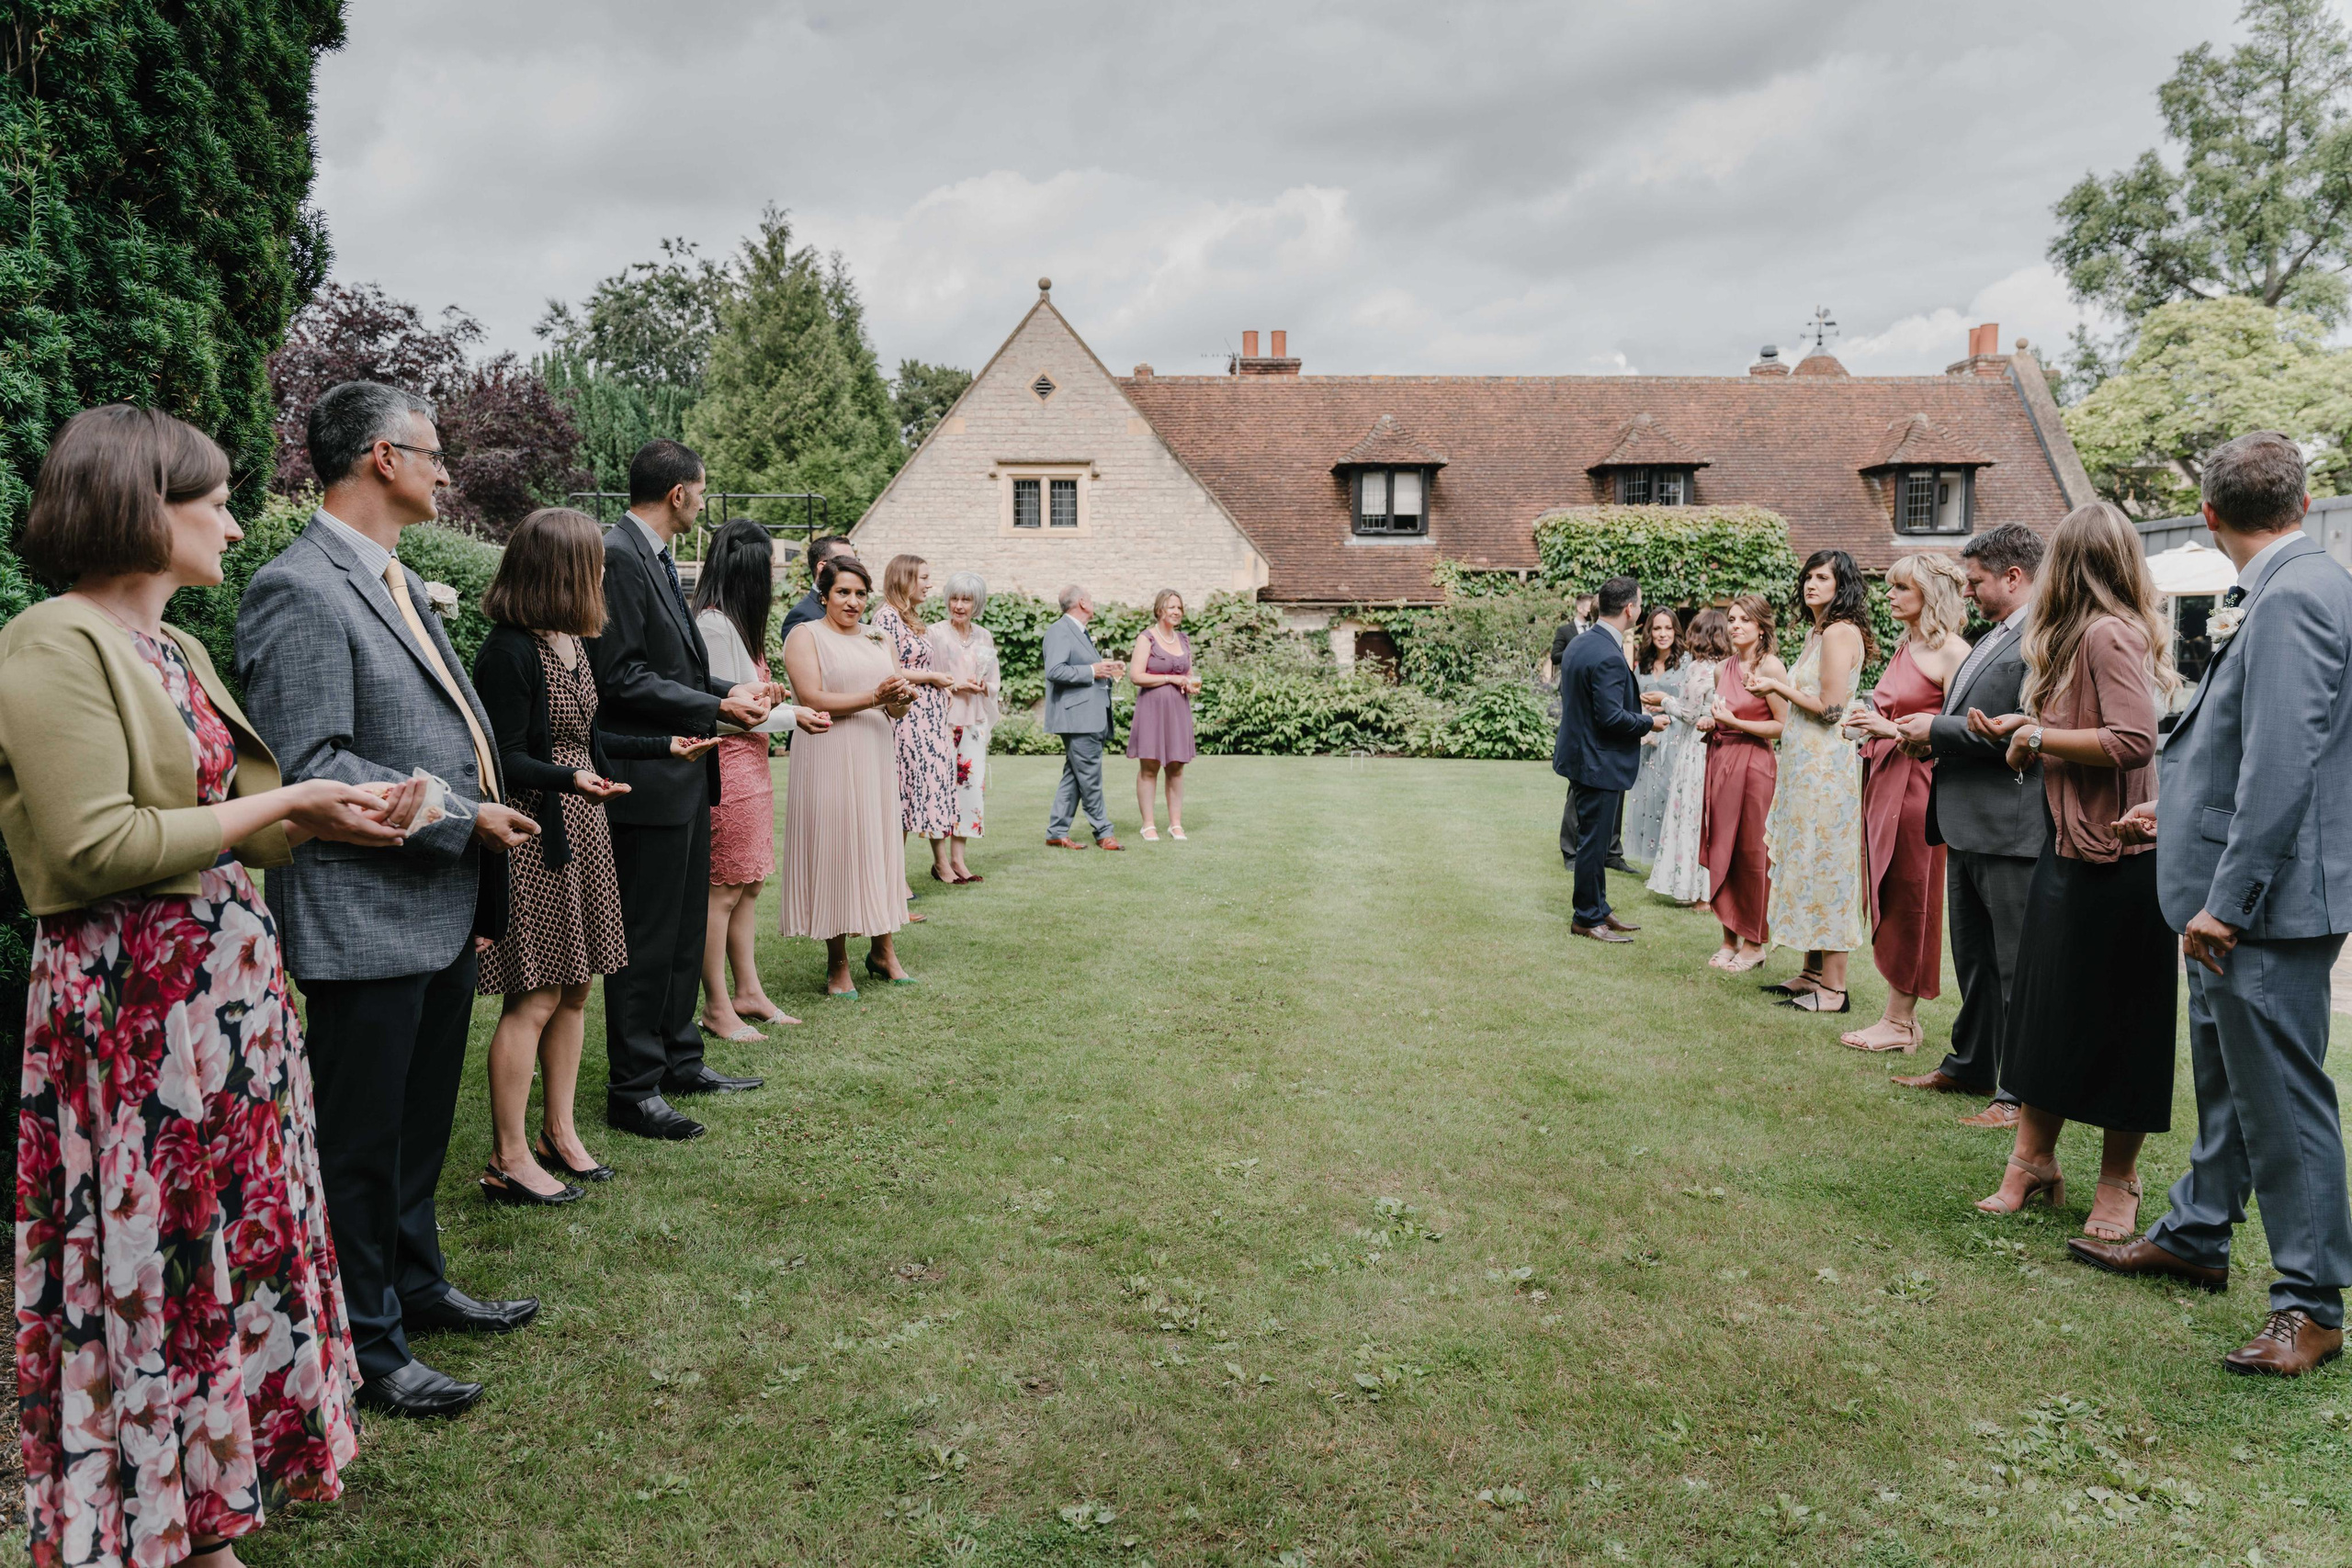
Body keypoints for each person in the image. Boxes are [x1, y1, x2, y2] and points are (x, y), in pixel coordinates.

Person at [0, 406, 411, 1565]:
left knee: (224, 1250)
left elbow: (215, 819)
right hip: (134, 1004)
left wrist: (328, 817)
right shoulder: (49, 640)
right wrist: (282, 804)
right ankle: (157, 1523)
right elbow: (97, 847)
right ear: (143, 505)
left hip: (224, 1000)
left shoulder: (173, 647)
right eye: (215, 502)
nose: (234, 522)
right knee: (155, 1256)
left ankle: (207, 1519)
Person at [237, 380, 545, 1419]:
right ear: (380, 456)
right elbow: (314, 762)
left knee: (416, 1129)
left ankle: (416, 1287)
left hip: (436, 909)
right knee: (360, 1142)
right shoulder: (300, 587)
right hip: (367, 913)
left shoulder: (394, 579)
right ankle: (366, 1344)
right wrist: (463, 820)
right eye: (431, 450)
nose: (445, 467)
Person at [2078, 431, 2352, 1379]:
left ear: (2207, 512)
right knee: (2230, 1081)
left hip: (2268, 906)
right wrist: (2178, 805)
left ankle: (2309, 1305)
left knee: (2280, 1096)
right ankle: (2196, 1233)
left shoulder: (2294, 600)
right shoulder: (2299, 582)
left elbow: (2286, 765)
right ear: (2300, 499)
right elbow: (2250, 745)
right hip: (2249, 882)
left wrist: (2226, 902)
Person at [473, 509, 721, 1204]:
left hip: (585, 831)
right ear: (562, 569)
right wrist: (568, 780)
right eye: (594, 564)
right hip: (535, 835)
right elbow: (505, 756)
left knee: (578, 988)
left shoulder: (573, 644)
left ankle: (560, 1131)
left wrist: (660, 748)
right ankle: (508, 1154)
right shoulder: (510, 651)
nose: (604, 575)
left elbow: (590, 739)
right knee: (537, 994)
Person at [1968, 503, 2177, 1247]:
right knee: (2046, 1013)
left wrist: (2035, 732)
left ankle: (2119, 1180)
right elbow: (2072, 740)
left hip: (2125, 860)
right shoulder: (2068, 639)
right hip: (2069, 849)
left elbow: (2130, 739)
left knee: (2125, 1019)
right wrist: (2028, 745)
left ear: (2073, 564)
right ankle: (2032, 1160)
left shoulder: (2107, 632)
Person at [589, 440, 788, 1143]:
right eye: (701, 491)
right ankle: (634, 1088)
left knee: (678, 935)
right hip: (646, 778)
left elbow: (671, 667)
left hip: (686, 776)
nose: (703, 502)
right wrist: (717, 708)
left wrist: (727, 691)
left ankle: (680, 1057)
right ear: (679, 493)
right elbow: (621, 677)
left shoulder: (655, 557)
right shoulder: (617, 555)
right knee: (646, 939)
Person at [1887, 525, 2047, 1128]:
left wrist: (1937, 730)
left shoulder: (2041, 636)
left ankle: (2016, 1093)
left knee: (2013, 965)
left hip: (2010, 825)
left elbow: (2027, 725)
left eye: (1977, 580)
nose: (1969, 591)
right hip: (1965, 821)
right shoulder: (1990, 636)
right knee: (1975, 959)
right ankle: (1970, 1062)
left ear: (2013, 576)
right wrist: (1930, 742)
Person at [1838, 553, 1971, 1053]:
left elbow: (1961, 735)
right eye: (1890, 587)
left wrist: (1889, 728)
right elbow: (1895, 710)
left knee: (1912, 896)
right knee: (1887, 893)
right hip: (1884, 777)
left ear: (1929, 596)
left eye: (1901, 589)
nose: (1889, 596)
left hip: (1920, 787)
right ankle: (1896, 1016)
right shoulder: (1906, 645)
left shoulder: (1953, 653)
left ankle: (1900, 1021)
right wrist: (1868, 716)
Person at [692, 519, 812, 1039]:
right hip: (730, 768)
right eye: (767, 566)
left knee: (749, 886)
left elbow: (749, 698)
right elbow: (723, 712)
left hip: (753, 766)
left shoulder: (735, 625)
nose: (772, 576)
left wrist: (773, 699)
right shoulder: (715, 625)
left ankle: (749, 991)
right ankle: (718, 1006)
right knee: (722, 891)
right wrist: (793, 715)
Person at [778, 554, 918, 994]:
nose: (853, 601)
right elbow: (812, 696)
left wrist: (900, 699)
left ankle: (883, 951)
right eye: (843, 592)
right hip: (827, 751)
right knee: (836, 850)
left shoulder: (880, 639)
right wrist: (876, 695)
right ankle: (836, 963)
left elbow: (893, 706)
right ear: (823, 594)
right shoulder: (805, 635)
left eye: (860, 593)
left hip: (874, 751)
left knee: (878, 846)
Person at [1748, 549, 1871, 1014]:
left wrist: (1776, 687)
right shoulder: (1817, 631)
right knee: (1805, 863)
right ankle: (1810, 972)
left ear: (1843, 586)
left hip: (1825, 770)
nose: (1812, 584)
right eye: (1809, 576)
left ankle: (1834, 989)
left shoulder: (1840, 632)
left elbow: (1832, 709)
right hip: (1803, 767)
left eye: (1823, 577)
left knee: (1827, 867)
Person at [1555, 575, 1670, 942]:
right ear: (1630, 609)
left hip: (1582, 755)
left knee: (1596, 839)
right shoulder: (1607, 652)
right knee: (1593, 843)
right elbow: (1609, 717)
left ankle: (1600, 907)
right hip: (1598, 761)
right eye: (1639, 603)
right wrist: (1649, 721)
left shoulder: (1582, 642)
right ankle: (1587, 918)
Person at [1700, 594, 1786, 971]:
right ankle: (1727, 938)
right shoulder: (1723, 669)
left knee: (1752, 854)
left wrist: (1736, 724)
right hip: (1721, 762)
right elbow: (1724, 713)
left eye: (1744, 620)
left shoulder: (1772, 668)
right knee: (1723, 850)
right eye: (1732, 619)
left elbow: (1782, 726)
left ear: (1761, 626)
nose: (1735, 625)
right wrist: (1713, 721)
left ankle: (1754, 943)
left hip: (1755, 766)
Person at [876, 555, 961, 897]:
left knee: (922, 792)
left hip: (927, 719)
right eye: (924, 577)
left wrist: (939, 686)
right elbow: (888, 667)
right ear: (905, 578)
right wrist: (932, 677)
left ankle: (921, 867)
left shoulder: (908, 616)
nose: (929, 584)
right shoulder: (885, 617)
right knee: (904, 792)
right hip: (906, 718)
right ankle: (893, 877)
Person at [1642, 607, 1728, 906]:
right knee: (1711, 817)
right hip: (1720, 746)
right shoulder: (1731, 666)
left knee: (1692, 814)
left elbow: (1689, 714)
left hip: (1697, 748)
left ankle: (1695, 891)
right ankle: (1708, 890)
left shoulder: (1698, 668)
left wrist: (1663, 700)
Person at [928, 571, 1002, 880]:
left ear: (977, 603)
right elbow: (927, 678)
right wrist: (955, 684)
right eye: (954, 598)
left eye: (966, 599)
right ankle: (941, 861)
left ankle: (959, 859)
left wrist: (983, 685)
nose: (958, 605)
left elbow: (995, 680)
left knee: (970, 791)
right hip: (943, 721)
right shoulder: (933, 633)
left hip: (974, 722)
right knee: (940, 790)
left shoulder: (984, 637)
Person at [1044, 584, 1126, 850]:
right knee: (1090, 775)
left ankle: (1056, 831)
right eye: (1090, 598)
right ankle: (1103, 832)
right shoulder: (1060, 630)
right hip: (1078, 717)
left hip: (1089, 715)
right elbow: (1055, 670)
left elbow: (1084, 668)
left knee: (1075, 773)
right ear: (1081, 602)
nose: (1093, 602)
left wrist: (1105, 669)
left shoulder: (1081, 632)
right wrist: (1092, 670)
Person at [1128, 587, 1203, 840]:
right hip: (1151, 709)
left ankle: (1175, 824)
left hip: (1178, 710)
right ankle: (1148, 824)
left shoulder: (1184, 639)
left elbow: (1188, 673)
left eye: (1180, 608)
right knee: (1149, 766)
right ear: (1160, 609)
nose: (1177, 611)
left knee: (1176, 766)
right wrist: (1171, 678)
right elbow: (1136, 676)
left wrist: (1188, 683)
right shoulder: (1146, 638)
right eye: (1172, 607)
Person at [1624, 606, 1688, 867]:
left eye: (1668, 628)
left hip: (1676, 737)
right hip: (1649, 738)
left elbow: (1693, 701)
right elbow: (1633, 697)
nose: (1663, 634)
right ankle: (1650, 858)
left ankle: (1673, 856)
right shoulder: (1644, 664)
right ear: (1650, 632)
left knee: (1670, 794)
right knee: (1646, 797)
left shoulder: (1687, 662)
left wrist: (1667, 703)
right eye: (1657, 628)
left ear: (1676, 631)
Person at [779, 533, 854, 647]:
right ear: (822, 567)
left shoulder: (853, 605)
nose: (854, 567)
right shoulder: (802, 615)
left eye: (855, 561)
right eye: (846, 561)